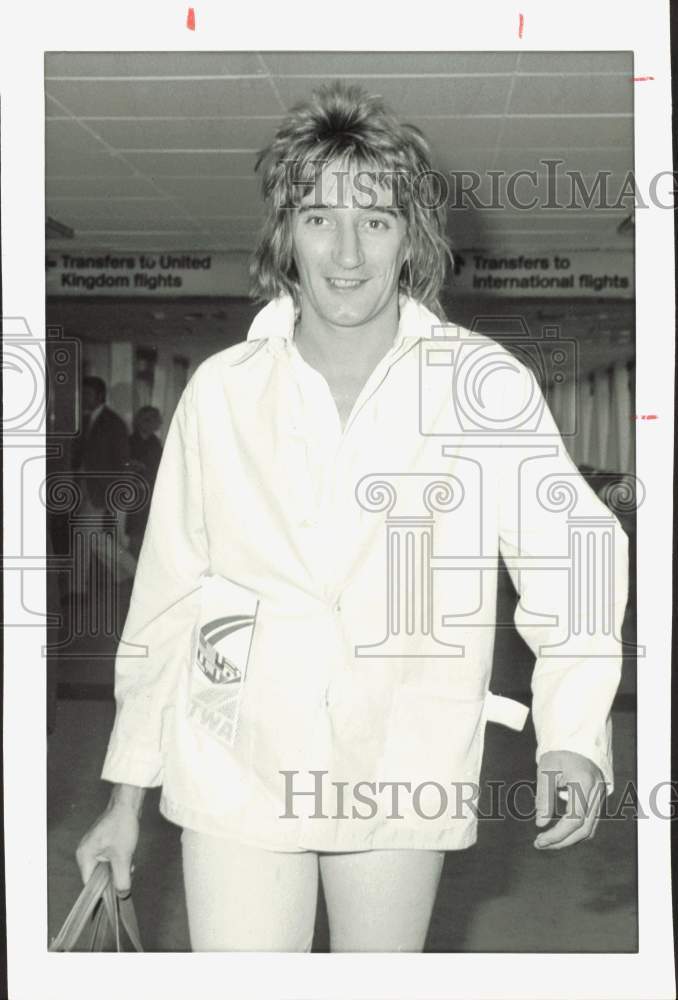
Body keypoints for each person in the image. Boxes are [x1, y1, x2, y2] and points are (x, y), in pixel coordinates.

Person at [76, 83, 629, 953]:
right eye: (319, 217)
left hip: (400, 753)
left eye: (376, 220)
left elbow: (573, 551)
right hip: (233, 752)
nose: (346, 251)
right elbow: (170, 599)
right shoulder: (222, 391)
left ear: (411, 238)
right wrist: (123, 801)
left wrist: (574, 729)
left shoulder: (481, 383)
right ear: (283, 235)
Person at [71, 376, 130, 511]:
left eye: (88, 394)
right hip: (80, 488)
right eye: (82, 394)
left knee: (93, 530)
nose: (83, 398)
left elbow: (121, 462)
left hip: (100, 493)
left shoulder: (114, 423)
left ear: (100, 396)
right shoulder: (83, 420)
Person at [125, 406, 163, 559]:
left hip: (150, 492)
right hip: (132, 493)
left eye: (153, 420)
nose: (149, 424)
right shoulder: (129, 441)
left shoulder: (155, 443)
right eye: (146, 419)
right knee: (133, 532)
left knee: (146, 532)